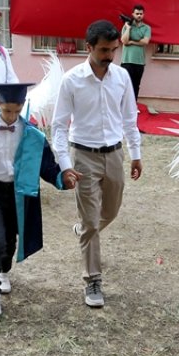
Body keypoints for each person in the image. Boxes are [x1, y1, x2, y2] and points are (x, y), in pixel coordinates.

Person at [0, 83, 76, 317]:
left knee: (11, 238)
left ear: (22, 106)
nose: (12, 116)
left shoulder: (33, 135)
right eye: (7, 110)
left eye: (16, 110)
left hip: (19, 193)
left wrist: (63, 179)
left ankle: (3, 271)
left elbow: (47, 166)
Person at [51, 19, 143, 308]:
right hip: (83, 156)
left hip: (114, 154)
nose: (109, 56)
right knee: (91, 220)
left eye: (113, 50)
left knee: (110, 212)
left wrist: (136, 153)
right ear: (88, 47)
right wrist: (66, 164)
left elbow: (130, 118)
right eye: (104, 50)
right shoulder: (72, 80)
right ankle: (92, 279)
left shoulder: (121, 78)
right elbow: (58, 127)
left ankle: (85, 231)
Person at [119, 4, 150, 105]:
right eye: (137, 13)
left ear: (143, 15)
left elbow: (145, 42)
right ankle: (122, 105)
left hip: (139, 62)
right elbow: (124, 41)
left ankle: (133, 106)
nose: (139, 15)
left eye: (141, 14)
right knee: (123, 85)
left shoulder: (146, 28)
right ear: (133, 14)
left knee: (136, 85)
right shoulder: (127, 26)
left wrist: (132, 42)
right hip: (126, 61)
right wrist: (128, 28)